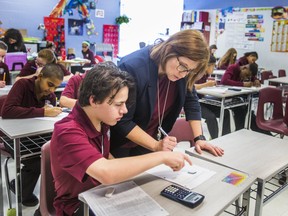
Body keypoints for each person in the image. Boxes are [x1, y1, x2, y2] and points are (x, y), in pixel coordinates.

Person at [49, 61, 192, 215]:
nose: (124, 110)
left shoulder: (101, 122)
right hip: (78, 205)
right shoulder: (67, 132)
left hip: (102, 193)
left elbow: (108, 160)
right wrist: (161, 156)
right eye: (118, 104)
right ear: (94, 100)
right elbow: (106, 172)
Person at [110, 29, 224, 158]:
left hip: (152, 139)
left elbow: (191, 102)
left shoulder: (183, 70)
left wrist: (199, 138)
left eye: (189, 71)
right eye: (182, 66)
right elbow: (123, 121)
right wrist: (156, 145)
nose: (183, 74)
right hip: (122, 142)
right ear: (169, 49)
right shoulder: (133, 67)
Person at [0, 63, 64, 206]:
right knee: (36, 162)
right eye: (50, 84)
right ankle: (21, 189)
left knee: (57, 155)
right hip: (11, 136)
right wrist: (42, 111)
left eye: (55, 87)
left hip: (34, 135)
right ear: (40, 77)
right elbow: (7, 111)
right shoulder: (22, 85)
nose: (52, 90)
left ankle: (58, 196)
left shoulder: (51, 96)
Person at [195, 55, 231, 139]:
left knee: (226, 112)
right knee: (211, 116)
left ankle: (226, 137)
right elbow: (191, 86)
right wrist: (206, 84)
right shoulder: (196, 73)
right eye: (213, 66)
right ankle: (215, 139)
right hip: (194, 102)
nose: (214, 68)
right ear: (207, 65)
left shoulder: (205, 74)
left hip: (202, 100)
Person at [221, 63, 260, 131]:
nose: (246, 78)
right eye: (246, 75)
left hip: (235, 96)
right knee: (242, 109)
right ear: (244, 68)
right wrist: (242, 84)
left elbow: (252, 76)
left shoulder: (245, 71)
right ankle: (240, 131)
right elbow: (224, 81)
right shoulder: (233, 67)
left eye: (248, 77)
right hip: (226, 95)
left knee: (247, 109)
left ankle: (241, 130)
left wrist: (256, 80)